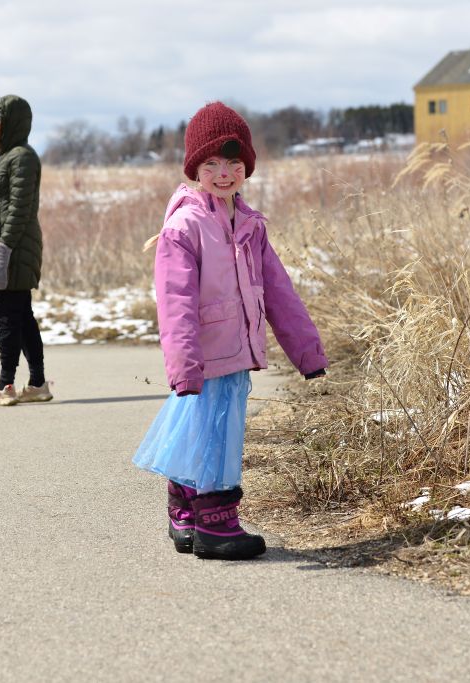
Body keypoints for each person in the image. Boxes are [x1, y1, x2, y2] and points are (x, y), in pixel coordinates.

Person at [133, 102, 328, 560]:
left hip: (237, 350)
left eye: (234, 163)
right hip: (206, 354)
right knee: (215, 436)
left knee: (202, 430)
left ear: (248, 167)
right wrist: (183, 365)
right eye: (212, 164)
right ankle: (217, 525)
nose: (225, 173)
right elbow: (175, 302)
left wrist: (308, 352)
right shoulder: (185, 227)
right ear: (194, 169)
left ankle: (184, 509)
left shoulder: (251, 226)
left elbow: (280, 293)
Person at [0, 95, 52, 407]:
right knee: (21, 317)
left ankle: (5, 384)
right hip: (11, 246)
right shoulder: (7, 156)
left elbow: (19, 208)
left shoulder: (21, 157)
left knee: (8, 318)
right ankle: (37, 383)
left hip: (14, 247)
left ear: (13, 122)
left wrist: (3, 250)